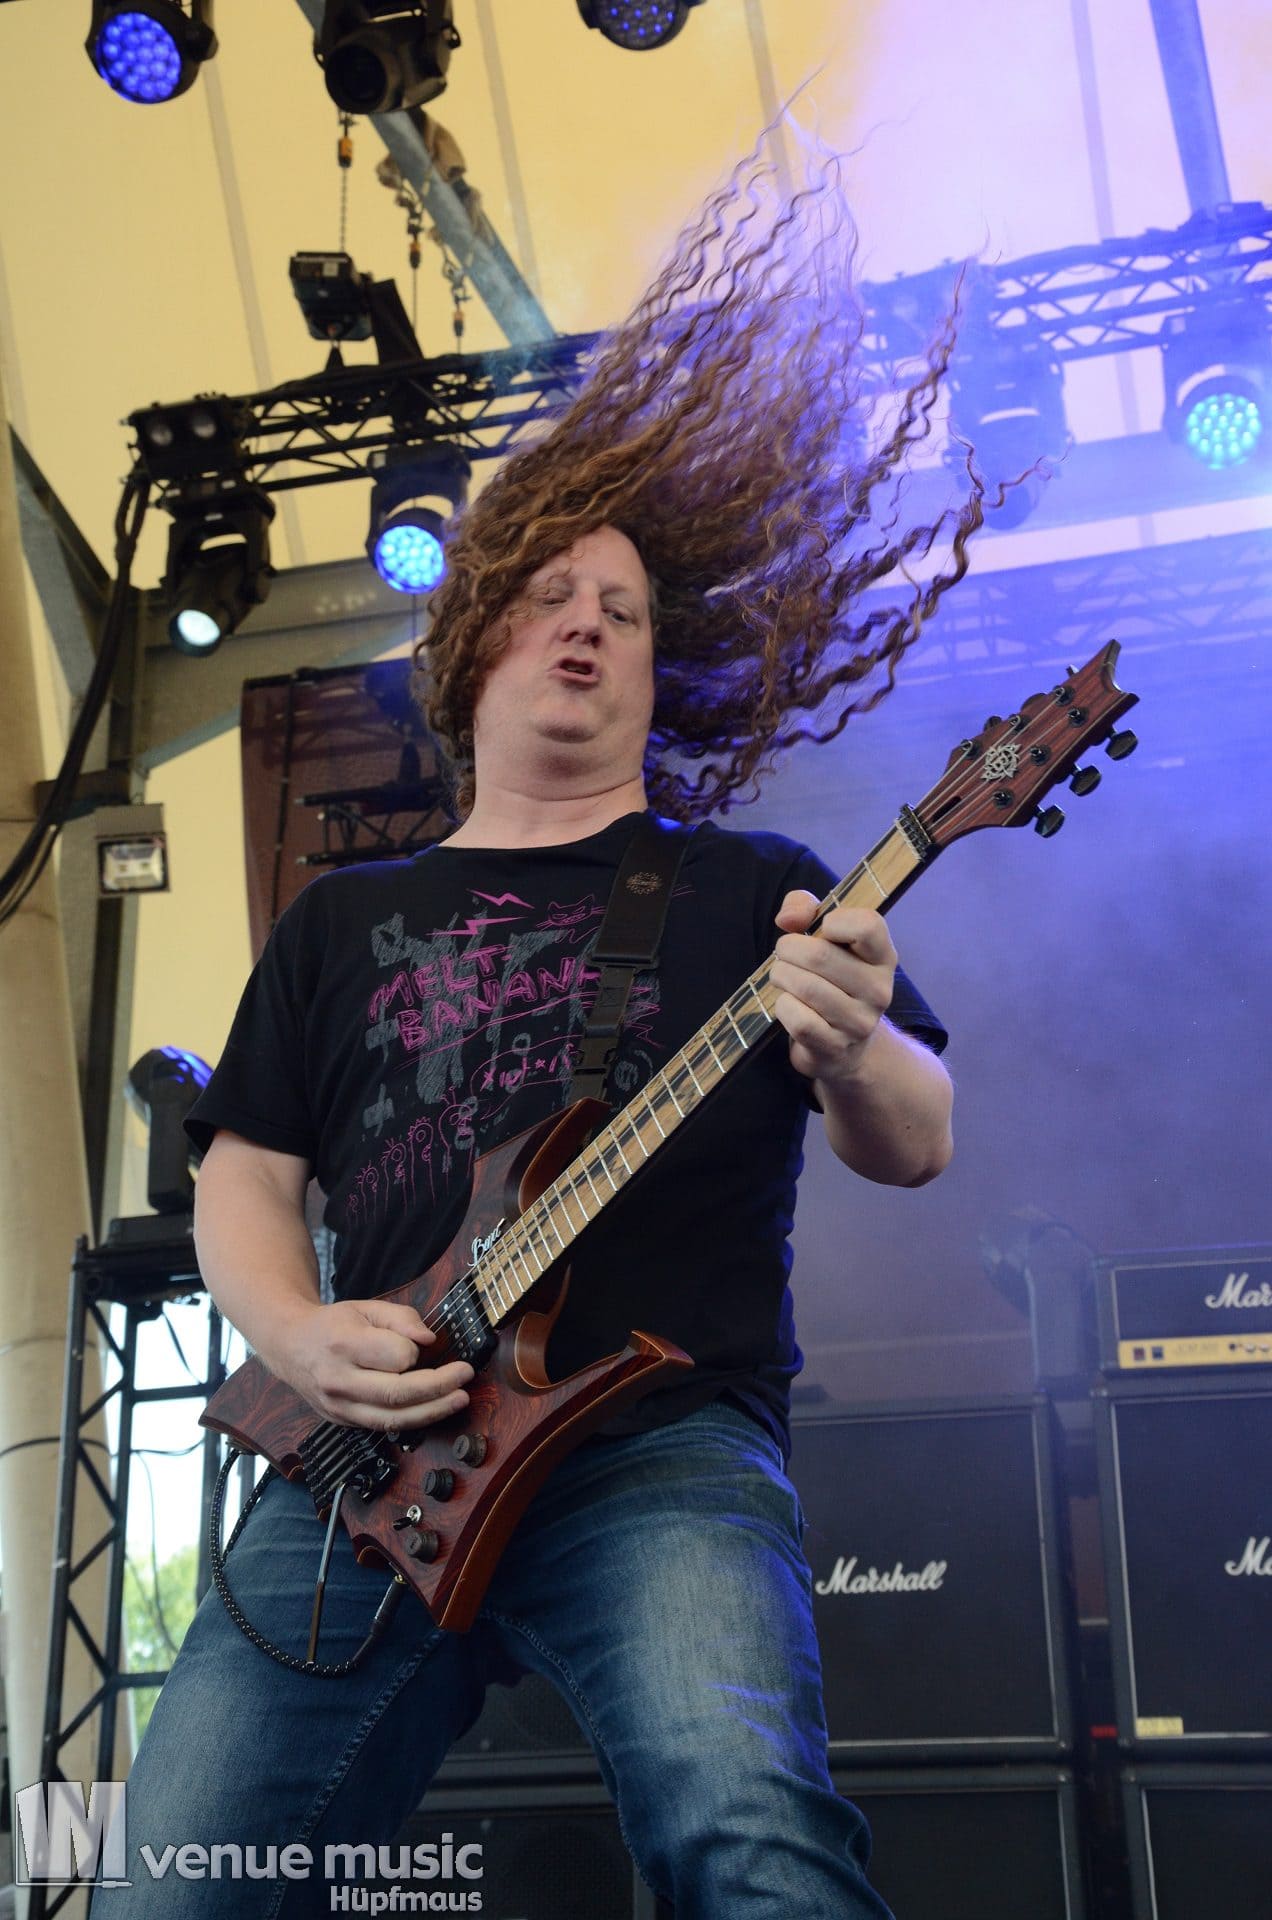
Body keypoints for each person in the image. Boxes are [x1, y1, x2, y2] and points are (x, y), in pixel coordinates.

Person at [97, 147, 984, 1919]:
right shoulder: (342, 920)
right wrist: (300, 1335)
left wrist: (852, 1041)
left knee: (748, 1841)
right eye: (554, 594)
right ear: (477, 638)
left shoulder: (751, 885)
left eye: (625, 613)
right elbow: (247, 1178)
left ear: (660, 675)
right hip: (366, 1463)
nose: (587, 623)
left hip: (658, 1447)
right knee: (174, 1889)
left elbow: (918, 1136)